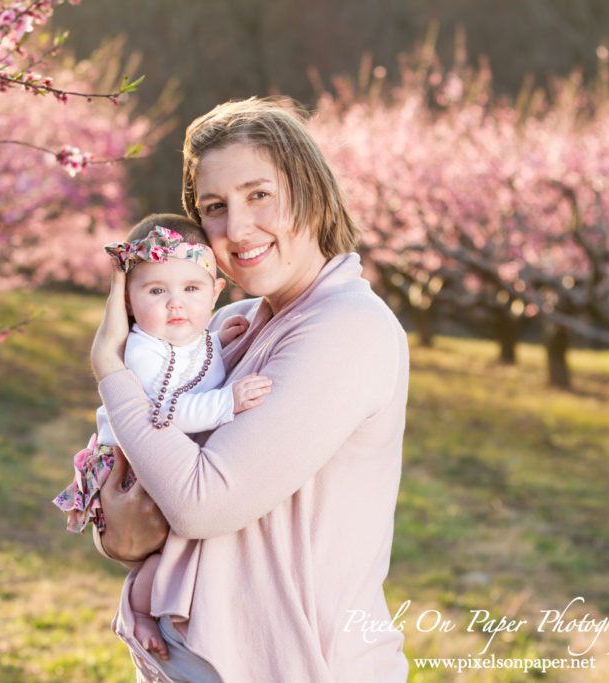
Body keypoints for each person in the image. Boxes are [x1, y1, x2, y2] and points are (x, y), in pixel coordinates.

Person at [89, 97, 410, 682]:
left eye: (259, 194)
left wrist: (111, 368)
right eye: (215, 207)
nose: (236, 229)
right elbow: (136, 484)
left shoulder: (347, 328)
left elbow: (200, 502)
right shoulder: (227, 327)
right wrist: (121, 538)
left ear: (310, 189)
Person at [53, 213, 272, 661]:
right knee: (169, 553)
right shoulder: (142, 350)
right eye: (157, 291)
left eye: (191, 290)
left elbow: (192, 358)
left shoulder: (193, 334)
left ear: (215, 292)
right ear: (130, 302)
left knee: (187, 548)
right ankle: (137, 609)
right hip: (132, 468)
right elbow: (168, 411)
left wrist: (215, 337)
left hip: (158, 460)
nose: (176, 305)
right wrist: (228, 402)